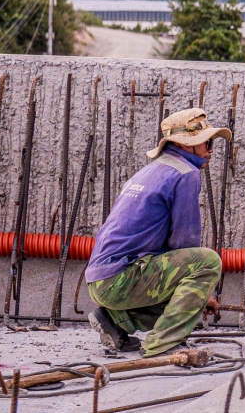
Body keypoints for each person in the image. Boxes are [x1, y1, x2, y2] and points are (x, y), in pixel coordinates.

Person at [86, 108, 226, 356]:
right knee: (208, 261)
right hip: (120, 280)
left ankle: (115, 321)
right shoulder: (186, 173)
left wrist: (195, 296)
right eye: (208, 142)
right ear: (187, 144)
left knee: (186, 292)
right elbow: (185, 243)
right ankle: (163, 345)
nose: (211, 149)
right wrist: (201, 295)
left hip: (101, 281)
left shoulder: (151, 170)